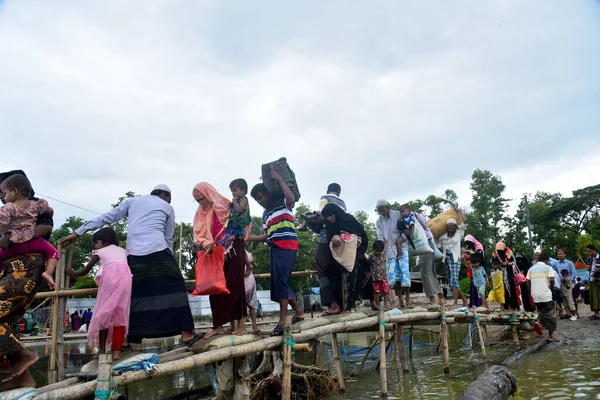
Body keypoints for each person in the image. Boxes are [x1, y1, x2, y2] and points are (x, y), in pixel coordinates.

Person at [59, 184, 197, 345]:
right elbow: (168, 238)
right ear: (164, 196)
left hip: (133, 254)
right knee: (176, 288)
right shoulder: (166, 206)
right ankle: (186, 333)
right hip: (159, 250)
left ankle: (129, 339)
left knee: (133, 294)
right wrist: (170, 262)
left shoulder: (132, 201)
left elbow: (107, 217)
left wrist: (78, 232)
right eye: (169, 199)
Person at [0, 170, 54, 388]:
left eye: (2, 191)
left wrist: (14, 236)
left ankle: (24, 357)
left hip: (23, 268)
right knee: (5, 329)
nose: (2, 197)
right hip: (11, 269)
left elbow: (46, 227)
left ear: (14, 190)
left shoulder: (28, 207)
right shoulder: (15, 208)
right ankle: (24, 384)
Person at [248, 172, 305, 336]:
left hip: (287, 245)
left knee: (281, 280)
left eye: (261, 197)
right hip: (274, 247)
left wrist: (280, 179)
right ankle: (299, 312)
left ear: (268, 193)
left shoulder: (283, 203)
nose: (260, 201)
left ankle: (282, 320)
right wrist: (249, 237)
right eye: (257, 200)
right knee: (278, 282)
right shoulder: (265, 214)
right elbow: (266, 235)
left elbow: (291, 198)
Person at [66, 227, 132, 360]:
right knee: (120, 315)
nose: (96, 245)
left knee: (104, 315)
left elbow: (86, 270)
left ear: (104, 241)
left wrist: (72, 273)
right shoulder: (123, 251)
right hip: (126, 279)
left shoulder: (100, 251)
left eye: (97, 242)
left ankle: (101, 350)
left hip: (110, 278)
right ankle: (116, 351)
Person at [192, 182, 247, 338]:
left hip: (234, 246)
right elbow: (199, 235)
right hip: (213, 252)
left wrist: (243, 233)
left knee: (235, 284)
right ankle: (218, 325)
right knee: (214, 287)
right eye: (197, 201)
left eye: (202, 198)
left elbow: (244, 219)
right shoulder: (200, 214)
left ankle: (241, 324)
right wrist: (206, 243)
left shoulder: (227, 205)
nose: (201, 203)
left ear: (209, 194)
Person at [0, 174, 58, 290]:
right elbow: (50, 211)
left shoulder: (8, 208)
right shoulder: (35, 205)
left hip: (14, 244)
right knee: (53, 253)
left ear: (15, 191)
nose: (3, 197)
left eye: (4, 193)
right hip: (35, 242)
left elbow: (2, 226)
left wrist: (5, 235)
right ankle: (48, 273)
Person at [300, 183, 347, 315]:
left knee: (322, 269)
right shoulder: (343, 203)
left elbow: (322, 216)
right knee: (336, 270)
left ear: (328, 190)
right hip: (340, 238)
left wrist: (310, 220)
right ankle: (341, 304)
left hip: (326, 237)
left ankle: (332, 304)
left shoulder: (324, 197)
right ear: (339, 192)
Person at [321, 203, 369, 312]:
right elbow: (332, 241)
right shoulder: (330, 226)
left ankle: (350, 306)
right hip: (340, 259)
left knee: (355, 280)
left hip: (356, 256)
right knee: (341, 283)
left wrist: (360, 252)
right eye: (327, 217)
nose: (329, 218)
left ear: (335, 213)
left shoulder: (348, 219)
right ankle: (342, 307)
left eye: (331, 215)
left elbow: (362, 235)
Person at [375, 201, 411, 308]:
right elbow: (380, 236)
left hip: (402, 247)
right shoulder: (379, 221)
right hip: (390, 251)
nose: (381, 211)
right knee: (395, 278)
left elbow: (408, 227)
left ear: (387, 208)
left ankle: (408, 300)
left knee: (405, 274)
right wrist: (381, 249)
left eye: (383, 209)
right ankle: (400, 301)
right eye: (379, 210)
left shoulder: (398, 214)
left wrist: (402, 238)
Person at [526, 252, 559, 342]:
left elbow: (527, 281)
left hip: (535, 295)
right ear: (546, 260)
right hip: (545, 295)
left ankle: (538, 321)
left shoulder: (531, 269)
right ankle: (550, 336)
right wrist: (551, 288)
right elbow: (552, 279)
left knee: (541, 311)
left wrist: (530, 292)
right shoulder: (548, 268)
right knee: (551, 316)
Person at [437, 219, 468, 307]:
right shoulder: (443, 236)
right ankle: (464, 299)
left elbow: (465, 221)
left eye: (452, 226)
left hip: (455, 259)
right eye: (448, 226)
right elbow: (438, 246)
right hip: (446, 259)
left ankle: (455, 302)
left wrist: (458, 211)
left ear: (455, 226)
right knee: (451, 282)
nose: (450, 227)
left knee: (454, 280)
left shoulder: (459, 233)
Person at [492, 242, 520, 311]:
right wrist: (497, 265)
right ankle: (505, 306)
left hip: (509, 273)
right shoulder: (494, 253)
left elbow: (514, 262)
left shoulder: (509, 252)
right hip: (499, 274)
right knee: (501, 290)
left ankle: (513, 306)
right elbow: (492, 262)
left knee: (510, 289)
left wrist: (507, 263)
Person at [463, 234, 485, 308]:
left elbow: (479, 258)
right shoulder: (469, 248)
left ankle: (480, 303)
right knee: (473, 288)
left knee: (479, 289)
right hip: (472, 270)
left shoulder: (479, 246)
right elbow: (466, 257)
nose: (468, 245)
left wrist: (470, 255)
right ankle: (473, 303)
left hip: (479, 270)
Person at [369, 240, 389, 310]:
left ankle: (386, 304)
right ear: (373, 249)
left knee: (386, 291)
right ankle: (377, 305)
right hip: (375, 278)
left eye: (380, 251)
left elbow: (386, 246)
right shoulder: (371, 256)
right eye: (377, 251)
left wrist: (386, 242)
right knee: (377, 292)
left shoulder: (383, 253)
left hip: (383, 277)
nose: (378, 252)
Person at [244, 250, 260, 334]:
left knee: (241, 306)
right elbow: (255, 265)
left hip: (242, 281)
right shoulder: (249, 254)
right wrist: (251, 264)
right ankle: (254, 326)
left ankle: (241, 327)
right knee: (252, 306)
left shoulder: (237, 252)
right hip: (250, 281)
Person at [586, 244, 600, 320]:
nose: (589, 253)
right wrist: (589, 268)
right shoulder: (589, 258)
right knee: (593, 296)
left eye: (590, 251)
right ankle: (596, 313)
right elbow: (589, 268)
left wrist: (598, 271)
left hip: (598, 279)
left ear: (594, 250)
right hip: (591, 279)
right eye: (588, 251)